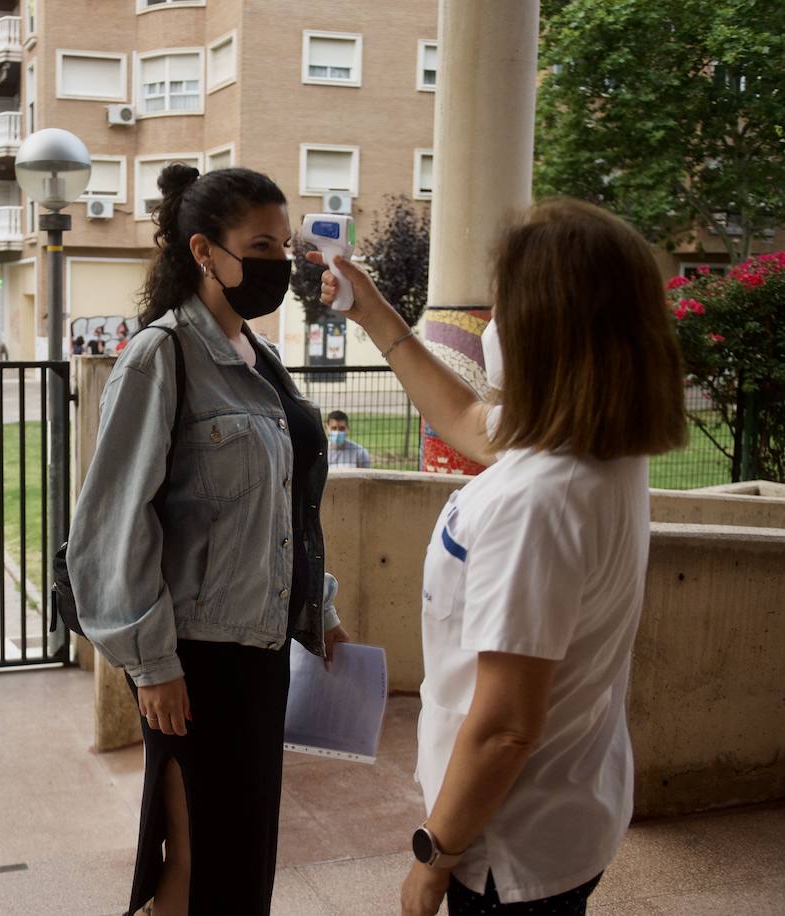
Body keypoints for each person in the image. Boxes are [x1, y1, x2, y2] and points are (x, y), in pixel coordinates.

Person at [312, 200, 688, 916]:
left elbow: (506, 726)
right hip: (569, 810)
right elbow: (461, 417)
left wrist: (434, 856)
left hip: (507, 849)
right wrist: (374, 313)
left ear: (544, 326)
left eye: (501, 307)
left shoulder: (537, 501)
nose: (490, 325)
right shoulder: (598, 445)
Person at [68, 165, 348, 916]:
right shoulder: (160, 357)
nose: (279, 263)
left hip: (260, 652)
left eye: (284, 245)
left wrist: (318, 603)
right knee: (199, 857)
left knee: (243, 857)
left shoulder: (262, 360)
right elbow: (109, 526)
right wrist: (151, 664)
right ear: (203, 251)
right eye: (260, 244)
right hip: (192, 660)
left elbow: (291, 505)